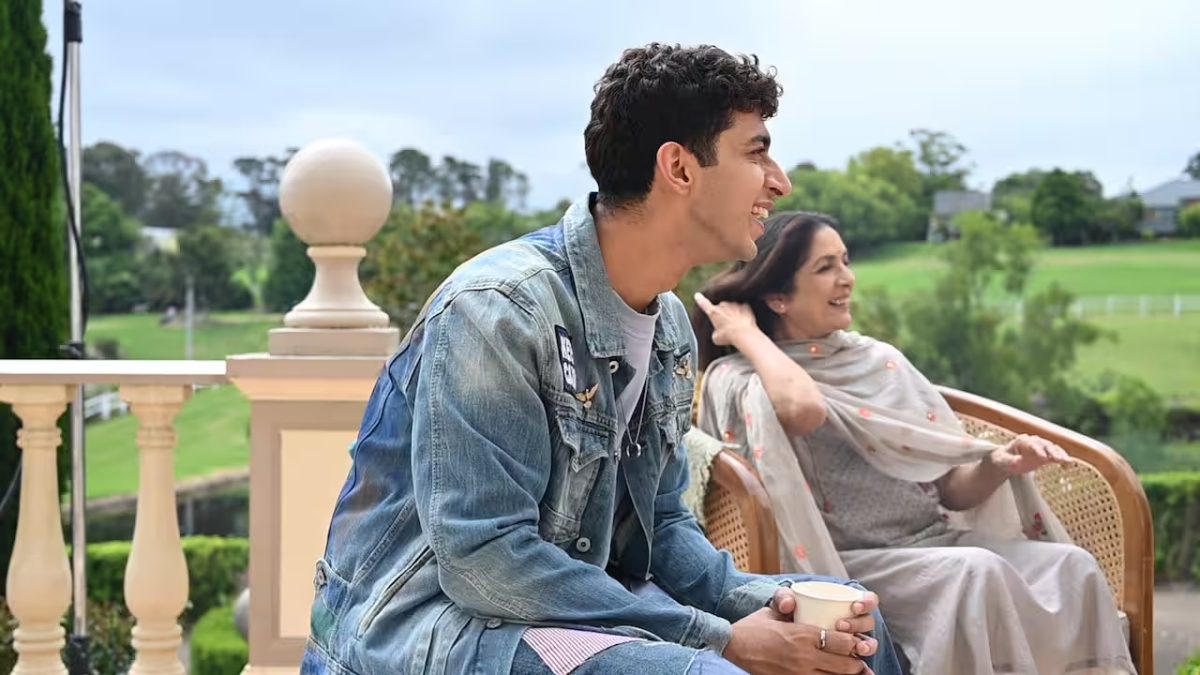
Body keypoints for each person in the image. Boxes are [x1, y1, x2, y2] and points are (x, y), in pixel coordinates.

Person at [300, 44, 906, 675]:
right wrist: (717, 639)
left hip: (566, 608)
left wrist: (762, 608)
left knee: (853, 623)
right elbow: (485, 557)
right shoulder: (498, 310)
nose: (779, 181)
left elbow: (663, 526)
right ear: (678, 167)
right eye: (756, 151)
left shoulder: (668, 325)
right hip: (434, 627)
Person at [691, 212, 1136, 674]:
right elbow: (804, 409)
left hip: (936, 542)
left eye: (845, 261)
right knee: (976, 572)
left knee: (1071, 566)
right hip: (851, 562)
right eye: (825, 268)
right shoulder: (739, 377)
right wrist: (747, 336)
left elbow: (950, 488)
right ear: (778, 296)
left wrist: (1001, 463)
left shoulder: (878, 361)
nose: (847, 278)